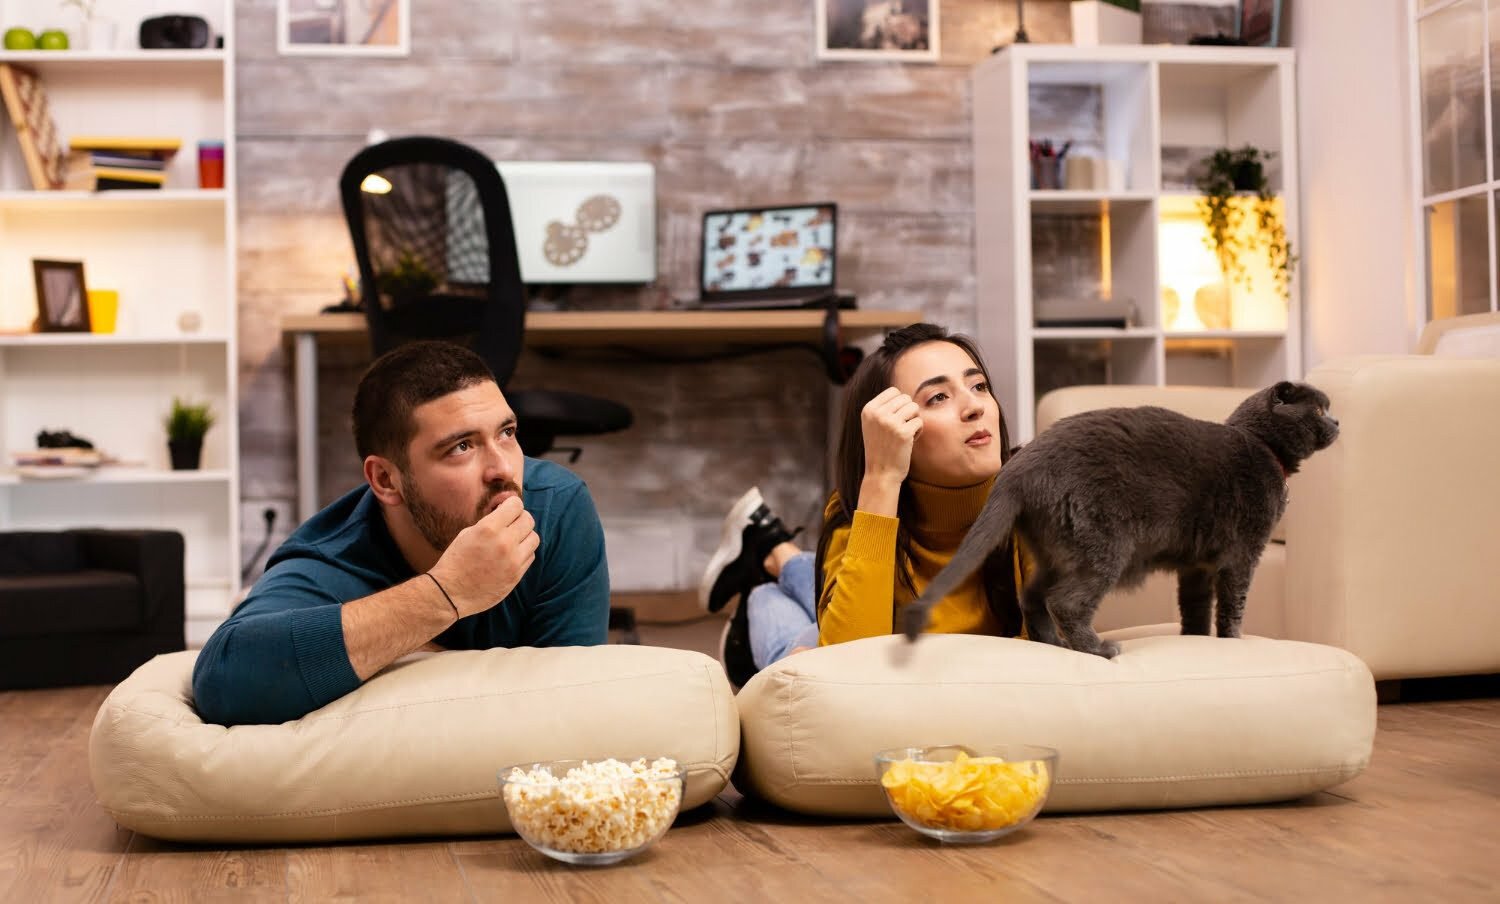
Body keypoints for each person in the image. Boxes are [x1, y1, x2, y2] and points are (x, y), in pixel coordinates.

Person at [193, 341, 611, 725]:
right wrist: (445, 595)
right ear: (387, 480)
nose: (503, 468)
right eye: (461, 447)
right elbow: (223, 681)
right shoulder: (330, 557)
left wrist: (404, 655)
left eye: (507, 433)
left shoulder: (556, 507)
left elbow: (571, 706)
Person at [699, 322, 1026, 687]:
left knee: (802, 640)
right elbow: (847, 673)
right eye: (938, 397)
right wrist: (882, 478)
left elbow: (1047, 661)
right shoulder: (861, 505)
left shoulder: (1039, 500)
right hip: (867, 625)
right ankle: (768, 573)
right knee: (786, 639)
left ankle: (775, 554)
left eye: (979, 386)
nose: (974, 407)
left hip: (886, 646)